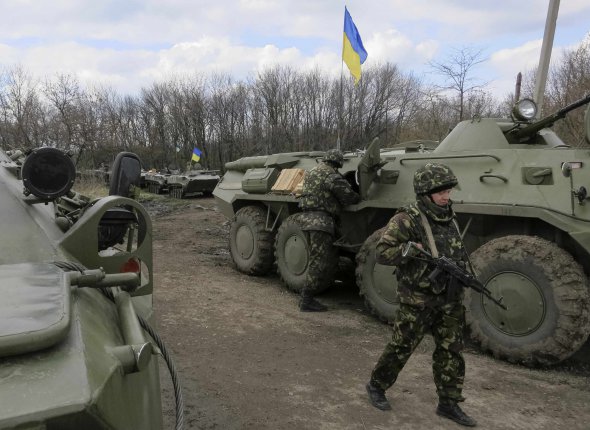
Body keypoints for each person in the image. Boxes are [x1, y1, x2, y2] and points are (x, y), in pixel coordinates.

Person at [365, 162, 477, 427]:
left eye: (448, 190)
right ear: (425, 192)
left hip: (449, 297)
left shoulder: (449, 215)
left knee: (451, 352)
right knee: (402, 346)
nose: (445, 196)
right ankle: (376, 386)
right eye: (440, 192)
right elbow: (382, 252)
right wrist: (409, 250)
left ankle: (448, 403)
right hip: (417, 298)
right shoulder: (408, 218)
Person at [297, 149, 360, 312]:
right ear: (337, 162)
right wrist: (358, 195)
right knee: (318, 261)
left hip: (307, 219)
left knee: (315, 257)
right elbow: (348, 197)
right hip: (321, 221)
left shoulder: (312, 172)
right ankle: (306, 299)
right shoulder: (332, 176)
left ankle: (307, 297)